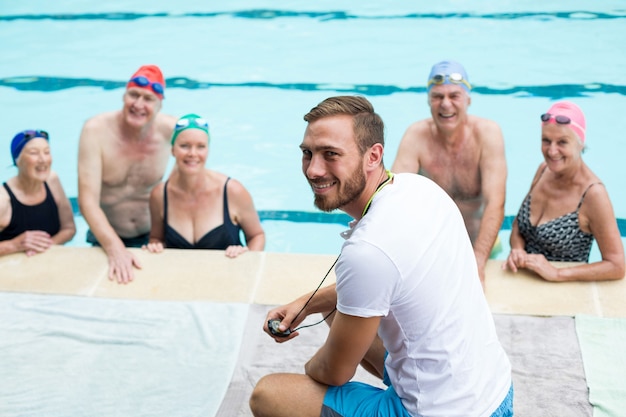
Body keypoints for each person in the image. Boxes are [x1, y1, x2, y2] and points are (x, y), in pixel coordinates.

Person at [249, 96, 513, 417]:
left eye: (330, 154)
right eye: (308, 153)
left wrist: (311, 371)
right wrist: (308, 302)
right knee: (340, 308)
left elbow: (335, 372)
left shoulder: (368, 252)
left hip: (439, 411)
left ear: (373, 155)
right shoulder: (421, 189)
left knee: (268, 394)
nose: (314, 170)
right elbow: (391, 280)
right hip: (495, 393)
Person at [391, 60, 506, 284]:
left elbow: (496, 203)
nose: (446, 104)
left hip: (481, 244)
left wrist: (478, 261)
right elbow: (394, 199)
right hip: (434, 247)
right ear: (428, 100)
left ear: (468, 100)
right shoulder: (415, 137)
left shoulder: (488, 134)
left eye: (454, 96)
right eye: (437, 97)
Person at [77, 64, 177, 284]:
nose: (138, 104)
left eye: (148, 99)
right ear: (123, 96)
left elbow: (191, 179)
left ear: (160, 105)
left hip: (154, 238)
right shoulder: (95, 131)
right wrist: (115, 248)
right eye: (134, 95)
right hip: (106, 236)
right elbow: (87, 200)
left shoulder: (171, 131)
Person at [503, 101, 624, 281]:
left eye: (562, 142)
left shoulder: (593, 194)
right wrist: (518, 250)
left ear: (580, 144)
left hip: (565, 296)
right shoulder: (543, 170)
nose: (552, 151)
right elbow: (519, 228)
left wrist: (558, 273)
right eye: (546, 141)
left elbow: (617, 265)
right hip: (523, 282)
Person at [143, 113, 265, 257]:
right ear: (172, 150)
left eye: (200, 147)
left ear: (208, 150)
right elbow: (157, 238)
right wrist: (156, 246)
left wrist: (246, 256)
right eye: (184, 146)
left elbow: (257, 236)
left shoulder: (233, 191)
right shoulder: (160, 195)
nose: (192, 153)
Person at [0, 130, 75, 256]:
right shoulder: (3, 199)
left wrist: (43, 247)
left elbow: (69, 228)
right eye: (34, 153)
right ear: (17, 160)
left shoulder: (52, 180)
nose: (43, 159)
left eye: (47, 152)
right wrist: (13, 245)